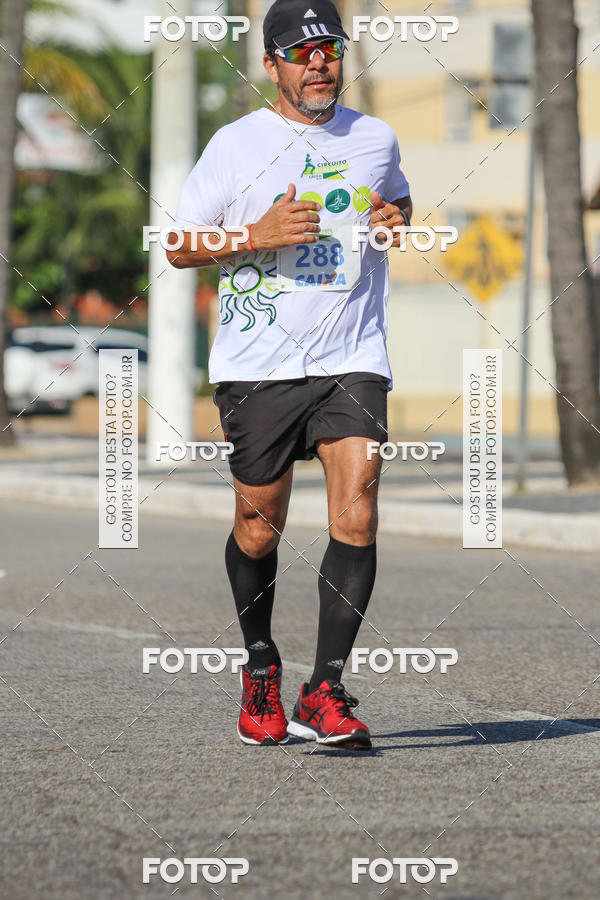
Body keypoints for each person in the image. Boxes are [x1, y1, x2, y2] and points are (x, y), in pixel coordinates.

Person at [167, 0, 412, 750]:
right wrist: (257, 235)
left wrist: (395, 218)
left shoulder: (375, 137)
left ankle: (326, 690)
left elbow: (396, 197)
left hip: (352, 357)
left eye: (328, 50)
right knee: (257, 524)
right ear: (271, 64)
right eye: (300, 53)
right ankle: (262, 669)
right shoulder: (235, 146)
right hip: (258, 367)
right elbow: (179, 245)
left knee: (359, 513)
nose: (318, 64)